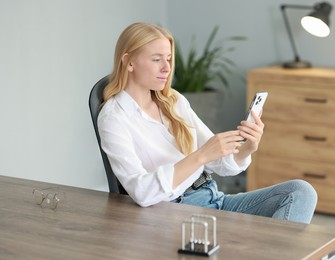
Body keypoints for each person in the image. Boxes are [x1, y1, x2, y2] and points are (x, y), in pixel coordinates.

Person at [98, 22, 317, 224]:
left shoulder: (173, 100)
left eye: (168, 58)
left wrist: (246, 149)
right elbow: (142, 192)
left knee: (301, 192)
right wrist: (200, 156)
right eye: (156, 59)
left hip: (214, 199)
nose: (166, 68)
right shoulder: (114, 118)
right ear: (128, 62)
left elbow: (219, 163)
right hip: (176, 213)